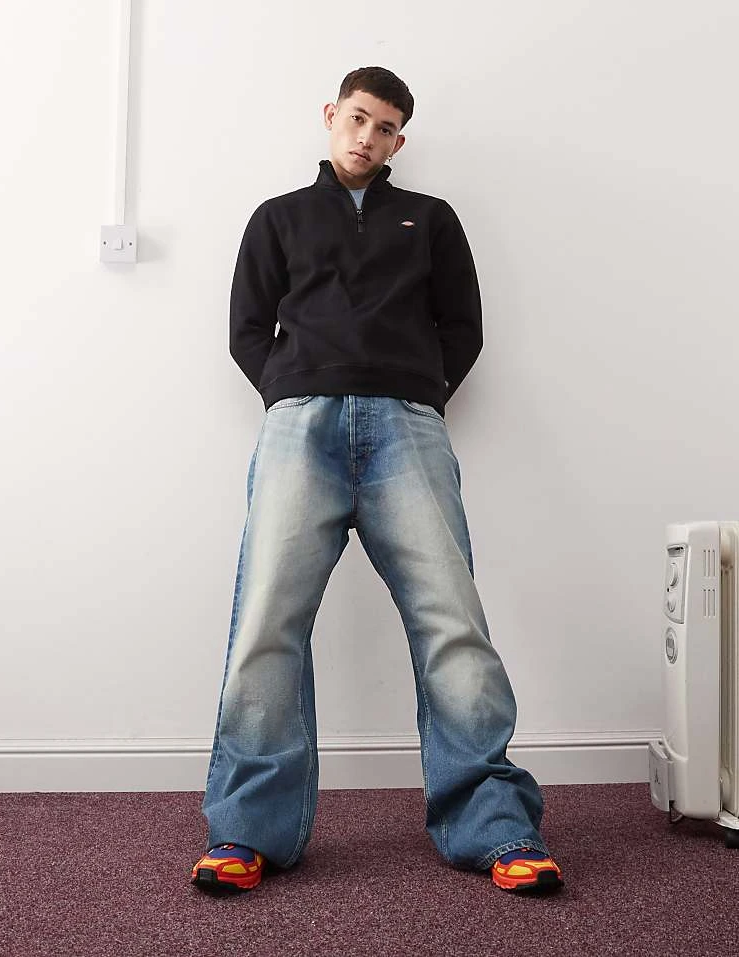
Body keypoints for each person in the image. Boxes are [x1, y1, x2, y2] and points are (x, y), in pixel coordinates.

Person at [191, 66, 564, 896]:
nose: (368, 136)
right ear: (332, 114)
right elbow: (247, 328)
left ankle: (496, 825)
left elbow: (462, 327)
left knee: (452, 622)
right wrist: (292, 387)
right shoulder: (279, 217)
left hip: (407, 428)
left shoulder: (429, 219)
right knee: (267, 623)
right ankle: (246, 830)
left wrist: (419, 392)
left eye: (386, 127)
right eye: (358, 117)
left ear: (400, 140)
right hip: (300, 428)